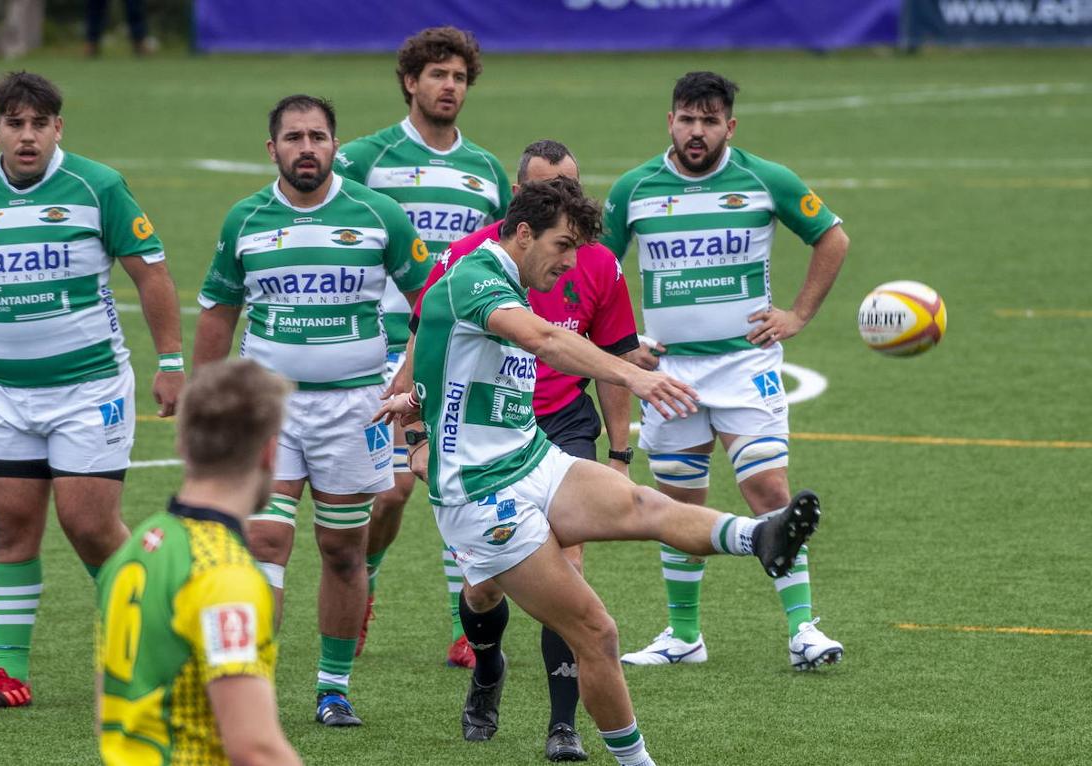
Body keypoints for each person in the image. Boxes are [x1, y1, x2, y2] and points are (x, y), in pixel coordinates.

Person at [377, 177, 821, 766]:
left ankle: (760, 537)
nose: (570, 262)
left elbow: (444, 362)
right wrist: (632, 376)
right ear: (524, 233)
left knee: (645, 505)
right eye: (563, 246)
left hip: (530, 456)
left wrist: (417, 408)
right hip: (481, 496)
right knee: (598, 632)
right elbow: (539, 341)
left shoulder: (511, 277)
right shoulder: (474, 276)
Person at [0, 70, 185, 710]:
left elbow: (151, 276)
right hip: (4, 394)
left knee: (88, 523)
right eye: (15, 123)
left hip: (89, 390)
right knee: (10, 527)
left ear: (58, 128)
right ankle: (9, 676)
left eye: (40, 123)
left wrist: (170, 360)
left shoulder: (99, 186)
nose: (27, 135)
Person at [193, 94, 431, 727]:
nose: (307, 148)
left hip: (355, 408)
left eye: (318, 137)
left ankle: (333, 687)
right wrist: (207, 399)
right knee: (265, 540)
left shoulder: (379, 215)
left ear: (334, 146)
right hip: (266, 409)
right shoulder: (244, 218)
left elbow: (431, 300)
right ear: (272, 149)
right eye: (293, 137)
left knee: (342, 551)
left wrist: (405, 380)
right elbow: (218, 310)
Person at [600, 71, 850, 670]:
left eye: (710, 121)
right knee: (678, 503)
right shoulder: (634, 189)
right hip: (669, 374)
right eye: (687, 118)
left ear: (729, 127)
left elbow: (832, 238)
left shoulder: (766, 179)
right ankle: (683, 636)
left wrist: (798, 314)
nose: (697, 131)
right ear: (670, 121)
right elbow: (596, 270)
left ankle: (802, 631)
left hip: (745, 364)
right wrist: (619, 343)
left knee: (769, 490)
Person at [411, 139, 646, 761]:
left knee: (568, 575)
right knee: (484, 589)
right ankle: (488, 666)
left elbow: (615, 353)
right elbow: (425, 339)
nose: (565, 202)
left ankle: (564, 724)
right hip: (481, 438)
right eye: (550, 189)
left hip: (562, 425)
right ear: (520, 202)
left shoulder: (595, 261)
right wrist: (416, 433)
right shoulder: (469, 259)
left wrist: (618, 454)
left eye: (572, 186)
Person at [333, 25, 511, 667]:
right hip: (386, 345)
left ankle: (466, 626)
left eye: (459, 77)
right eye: (437, 74)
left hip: (466, 351)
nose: (449, 86)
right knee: (392, 491)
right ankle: (363, 590)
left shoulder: (488, 170)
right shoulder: (362, 159)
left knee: (456, 479)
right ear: (410, 81)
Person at [96, 359, 301, 766]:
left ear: (182, 443)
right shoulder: (225, 575)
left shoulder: (138, 544)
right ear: (269, 452)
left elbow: (107, 706)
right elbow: (254, 748)